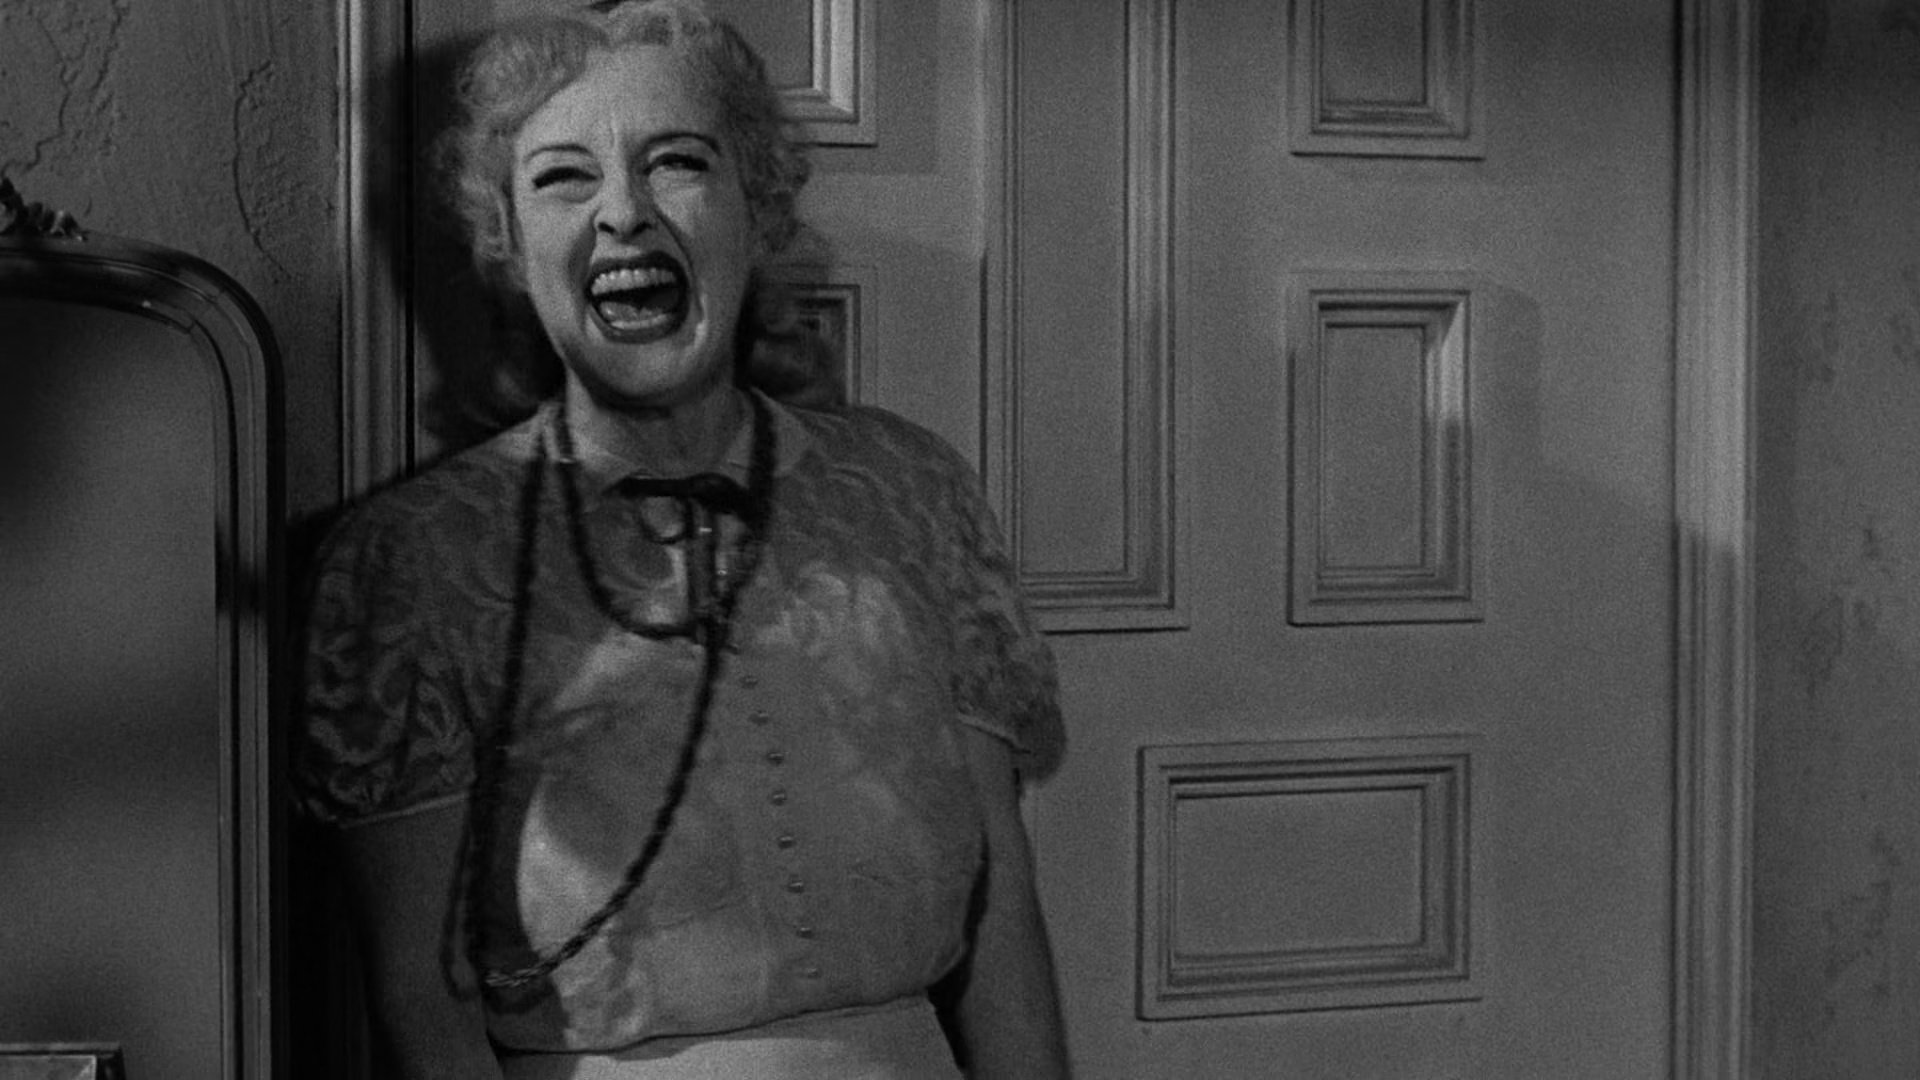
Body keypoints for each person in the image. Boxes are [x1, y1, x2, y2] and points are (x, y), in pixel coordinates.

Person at [296, 2, 1070, 1077]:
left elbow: (1003, 917)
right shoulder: (416, 556)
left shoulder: (912, 491)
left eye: (676, 163)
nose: (623, 213)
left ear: (757, 208)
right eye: (563, 178)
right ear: (510, 242)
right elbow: (423, 1002)